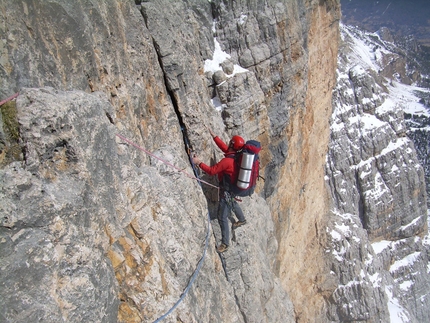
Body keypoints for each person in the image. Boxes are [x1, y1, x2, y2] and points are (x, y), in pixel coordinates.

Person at [192, 128, 247, 253]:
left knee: (222, 217)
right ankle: (242, 219)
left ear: (232, 145)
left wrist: (198, 162)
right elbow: (224, 148)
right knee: (233, 202)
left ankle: (225, 243)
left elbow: (212, 171)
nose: (228, 143)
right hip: (233, 189)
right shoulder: (236, 157)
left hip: (227, 190)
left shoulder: (227, 161)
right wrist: (214, 136)